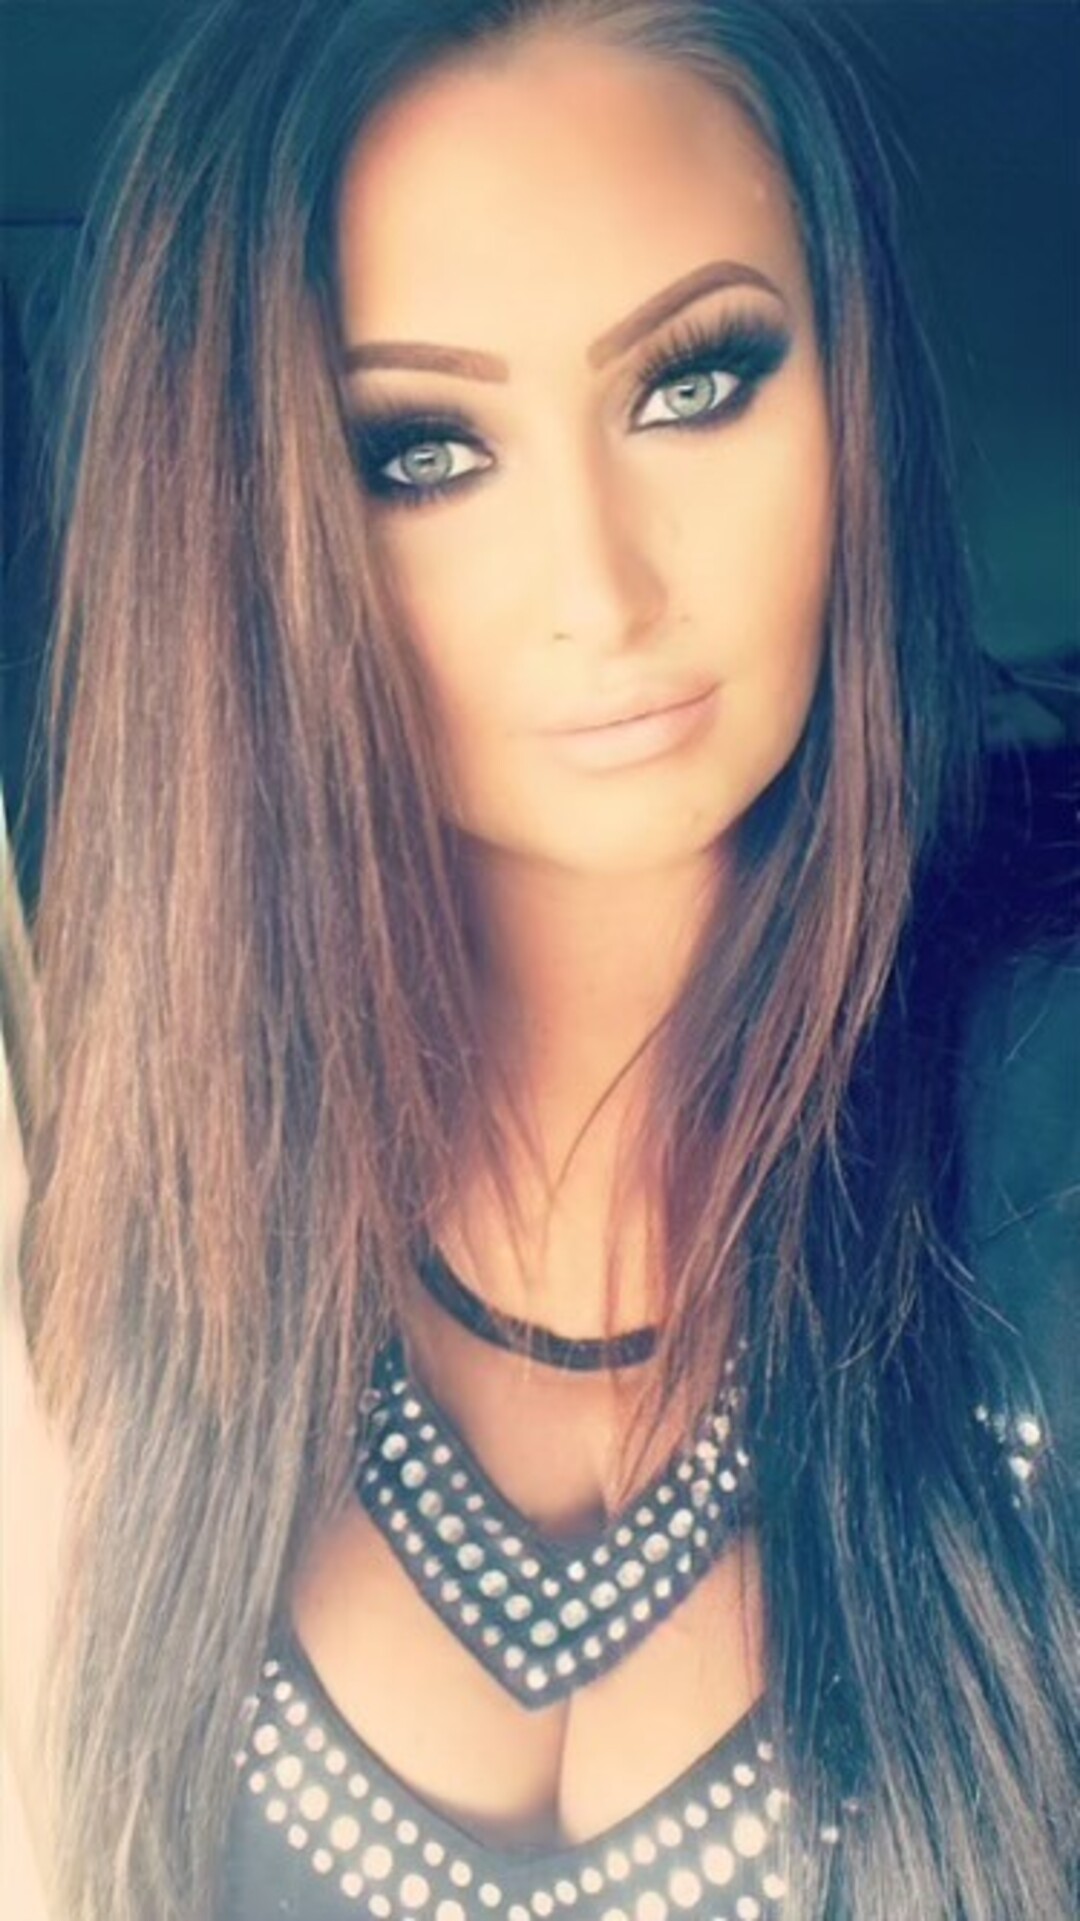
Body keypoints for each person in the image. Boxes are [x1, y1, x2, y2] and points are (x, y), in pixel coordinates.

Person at [1, 2, 1076, 1917]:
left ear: (857, 391)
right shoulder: (132, 1246)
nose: (602, 589)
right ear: (244, 530)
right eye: (424, 450)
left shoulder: (1037, 1142)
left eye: (695, 382)